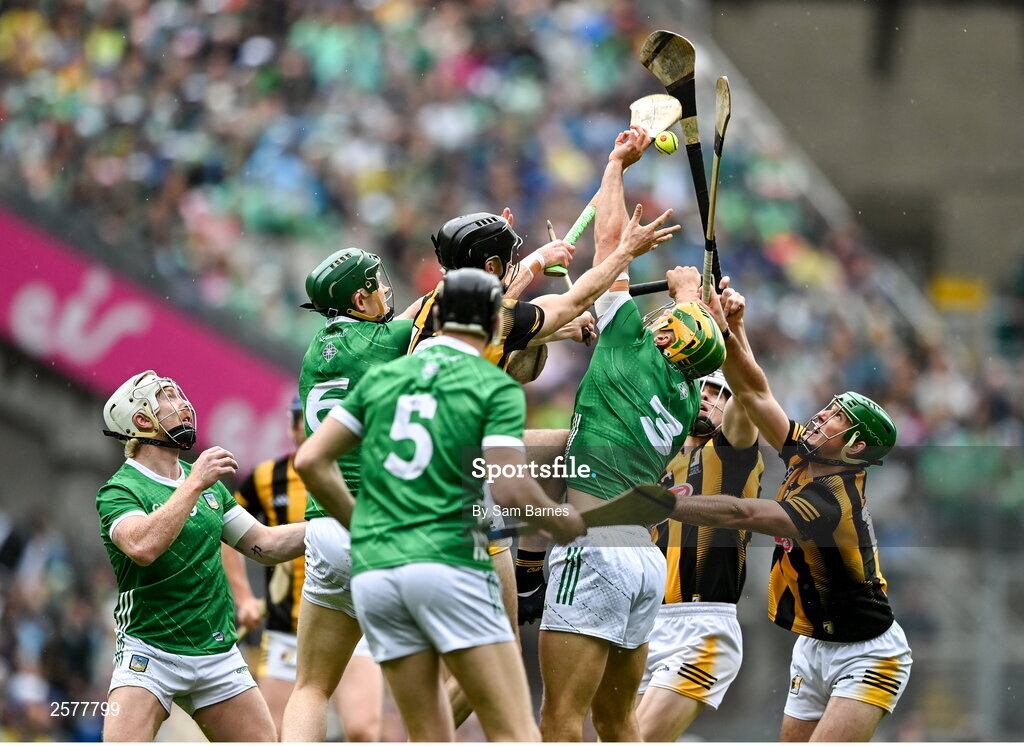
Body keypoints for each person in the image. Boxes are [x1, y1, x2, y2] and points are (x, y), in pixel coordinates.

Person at [294, 268, 597, 741]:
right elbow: (513, 490)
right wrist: (563, 519)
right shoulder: (490, 385)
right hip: (446, 561)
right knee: (515, 731)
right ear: (497, 327)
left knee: (427, 734)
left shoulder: (386, 376)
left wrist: (363, 524)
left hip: (379, 572)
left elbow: (311, 460)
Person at [537, 125, 727, 742]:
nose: (660, 319)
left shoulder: (625, 349)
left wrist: (617, 167)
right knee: (618, 724)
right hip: (644, 562)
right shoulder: (686, 393)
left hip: (592, 550)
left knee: (560, 720)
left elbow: (612, 246)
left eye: (669, 321)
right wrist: (693, 294)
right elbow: (702, 342)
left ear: (670, 336)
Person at [670, 282, 913, 741]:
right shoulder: (807, 452)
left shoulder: (832, 497)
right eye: (829, 408)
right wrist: (728, 328)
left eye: (837, 418)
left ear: (856, 446)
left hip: (867, 654)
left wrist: (670, 504)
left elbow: (744, 514)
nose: (822, 416)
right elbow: (757, 394)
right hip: (812, 646)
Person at [96, 370, 306, 741]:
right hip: (150, 654)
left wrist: (339, 526)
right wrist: (193, 483)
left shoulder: (210, 487)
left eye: (182, 395)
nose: (185, 405)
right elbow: (143, 547)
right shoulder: (120, 490)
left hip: (217, 654)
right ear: (143, 420)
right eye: (170, 398)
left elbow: (267, 545)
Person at [281, 248, 410, 741]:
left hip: (326, 532)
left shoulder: (317, 349)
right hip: (385, 524)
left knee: (311, 687)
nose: (386, 290)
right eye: (377, 283)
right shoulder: (387, 340)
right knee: (463, 670)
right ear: (359, 298)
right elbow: (467, 311)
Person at [221, 396, 384, 740]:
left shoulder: (367, 469)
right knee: (274, 732)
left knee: (362, 730)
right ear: (297, 425)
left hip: (352, 618)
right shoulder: (267, 476)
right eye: (307, 420)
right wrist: (244, 597)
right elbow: (228, 531)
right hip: (285, 628)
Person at [635, 370, 764, 740]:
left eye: (718, 394)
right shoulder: (661, 458)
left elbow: (747, 399)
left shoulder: (731, 453)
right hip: (647, 621)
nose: (708, 398)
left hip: (701, 628)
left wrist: (727, 338)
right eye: (700, 391)